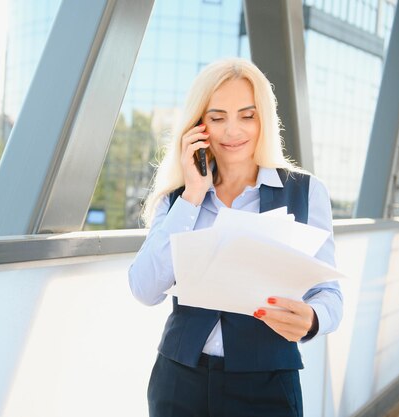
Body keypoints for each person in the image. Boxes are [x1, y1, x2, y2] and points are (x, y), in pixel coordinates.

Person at [128, 57, 343, 417]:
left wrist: (312, 318)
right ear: (198, 125)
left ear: (265, 120)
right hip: (179, 382)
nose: (232, 131)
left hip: (267, 385)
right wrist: (194, 195)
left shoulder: (305, 192)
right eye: (217, 117)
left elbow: (329, 295)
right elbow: (144, 289)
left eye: (247, 115)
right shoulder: (178, 198)